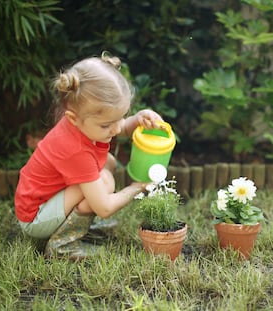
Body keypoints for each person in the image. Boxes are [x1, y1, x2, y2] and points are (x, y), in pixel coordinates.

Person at [14, 52, 164, 260]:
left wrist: (138, 119)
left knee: (107, 163)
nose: (116, 128)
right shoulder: (76, 151)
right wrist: (137, 187)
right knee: (103, 182)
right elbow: (104, 207)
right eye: (106, 125)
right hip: (37, 218)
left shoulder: (85, 122)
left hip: (46, 200)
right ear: (73, 119)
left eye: (120, 117)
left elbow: (119, 127)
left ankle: (80, 223)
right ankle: (63, 245)